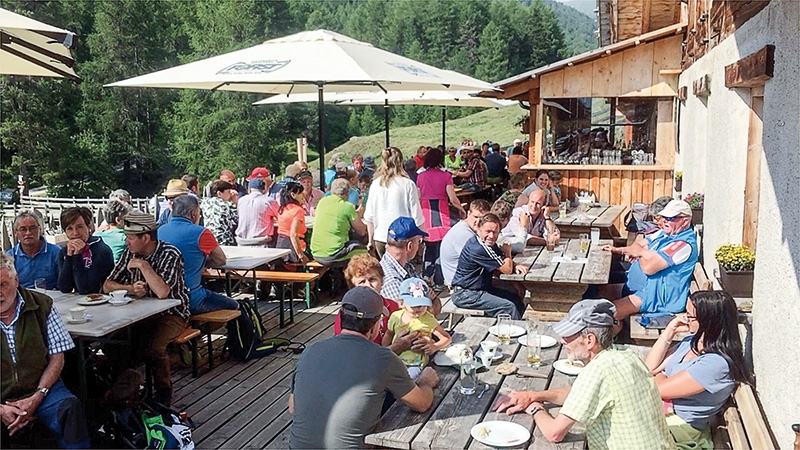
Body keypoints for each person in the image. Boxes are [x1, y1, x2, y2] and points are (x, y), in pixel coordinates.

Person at [494, 299, 675, 450]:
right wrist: (533, 395)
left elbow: (554, 433)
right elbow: (577, 393)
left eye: (569, 335)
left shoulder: (597, 370)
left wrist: (535, 408)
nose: (563, 340)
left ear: (590, 340)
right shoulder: (625, 355)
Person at [289, 286, 440, 449]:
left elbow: (293, 405)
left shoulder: (310, 350)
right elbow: (422, 403)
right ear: (376, 326)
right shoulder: (383, 358)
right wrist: (425, 381)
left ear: (341, 316)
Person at [0, 254, 90, 448]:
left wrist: (37, 396)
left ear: (16, 280)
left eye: (3, 285)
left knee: (70, 410)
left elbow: (57, 357)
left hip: (41, 389)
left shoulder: (42, 305)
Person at [103, 212, 189, 405]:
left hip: (172, 314)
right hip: (137, 314)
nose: (126, 242)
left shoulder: (170, 253)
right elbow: (107, 285)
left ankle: (163, 393)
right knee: (113, 343)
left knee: (154, 348)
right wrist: (129, 288)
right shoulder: (129, 253)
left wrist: (143, 266)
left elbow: (162, 292)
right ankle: (123, 393)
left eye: (130, 237)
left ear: (146, 238)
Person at [646, 291, 750, 449]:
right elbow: (649, 368)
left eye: (690, 316)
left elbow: (659, 389)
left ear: (709, 321)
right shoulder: (692, 341)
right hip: (661, 412)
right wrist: (669, 331)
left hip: (679, 426)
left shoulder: (716, 364)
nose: (684, 318)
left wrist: (659, 375)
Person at [601, 199, 698, 325]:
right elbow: (637, 245)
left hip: (655, 297)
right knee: (600, 292)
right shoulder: (664, 233)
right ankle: (618, 328)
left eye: (670, 218)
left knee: (606, 313)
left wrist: (641, 252)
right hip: (641, 287)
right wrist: (618, 250)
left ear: (685, 221)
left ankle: (611, 335)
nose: (664, 221)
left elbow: (648, 268)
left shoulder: (683, 245)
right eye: (663, 217)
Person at [159, 196, 239, 314]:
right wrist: (202, 263)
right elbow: (220, 260)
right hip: (192, 297)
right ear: (194, 214)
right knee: (234, 306)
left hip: (165, 296)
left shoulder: (159, 231)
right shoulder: (201, 233)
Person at [450, 214, 528, 319]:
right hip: (465, 294)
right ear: (479, 229)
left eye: (495, 232)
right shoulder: (479, 248)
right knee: (508, 307)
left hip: (479, 289)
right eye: (488, 231)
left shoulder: (487, 244)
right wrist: (508, 252)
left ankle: (519, 327)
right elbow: (506, 270)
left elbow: (498, 263)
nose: (491, 236)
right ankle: (509, 331)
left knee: (514, 297)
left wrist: (515, 265)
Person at [416, 147, 466, 287]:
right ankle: (439, 280)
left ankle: (426, 275)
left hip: (426, 213)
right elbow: (453, 198)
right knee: (441, 248)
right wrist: (461, 209)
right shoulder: (446, 176)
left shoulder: (420, 176)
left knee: (429, 247)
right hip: (442, 212)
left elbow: (418, 197)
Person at [363, 147, 425, 258]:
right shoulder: (408, 184)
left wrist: (370, 240)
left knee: (384, 272)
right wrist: (420, 236)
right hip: (402, 237)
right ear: (401, 162)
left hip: (381, 237)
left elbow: (369, 217)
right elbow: (416, 215)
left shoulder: (375, 184)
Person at [383, 278, 451, 379]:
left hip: (415, 363)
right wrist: (385, 349)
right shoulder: (395, 317)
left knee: (409, 379)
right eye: (414, 305)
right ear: (401, 303)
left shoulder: (428, 319)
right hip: (394, 359)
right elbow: (389, 334)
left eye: (422, 305)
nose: (419, 308)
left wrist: (434, 347)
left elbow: (446, 338)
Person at [380, 217, 441, 315]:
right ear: (410, 246)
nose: (420, 245)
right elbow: (411, 319)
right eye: (419, 241)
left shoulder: (406, 266)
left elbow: (432, 307)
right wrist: (429, 300)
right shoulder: (392, 281)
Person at [56, 207, 114, 295]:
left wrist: (77, 256)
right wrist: (69, 257)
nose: (75, 233)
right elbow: (64, 287)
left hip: (101, 299)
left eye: (79, 227)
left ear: (88, 227)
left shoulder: (101, 250)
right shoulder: (64, 252)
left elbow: (86, 289)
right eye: (69, 229)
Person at [310, 179, 367, 266]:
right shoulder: (347, 207)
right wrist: (358, 215)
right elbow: (361, 231)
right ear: (347, 192)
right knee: (365, 252)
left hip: (316, 253)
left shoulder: (322, 202)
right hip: (334, 254)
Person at [439, 199, 490, 286]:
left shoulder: (466, 229)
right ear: (468, 213)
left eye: (482, 219)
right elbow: (485, 259)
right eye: (476, 217)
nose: (478, 222)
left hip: (468, 280)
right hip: (461, 286)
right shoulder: (463, 233)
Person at [6, 211, 60, 290]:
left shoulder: (56, 252)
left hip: (51, 299)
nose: (28, 233)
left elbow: (64, 285)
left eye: (32, 228)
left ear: (40, 229)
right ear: (15, 233)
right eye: (23, 229)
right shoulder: (10, 256)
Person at [235, 178, 279, 247]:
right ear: (265, 190)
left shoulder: (241, 201)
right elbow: (280, 216)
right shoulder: (269, 201)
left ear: (249, 189)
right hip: (262, 242)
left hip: (242, 242)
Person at [275, 181, 309, 264]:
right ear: (293, 195)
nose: (303, 195)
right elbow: (293, 234)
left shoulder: (282, 209)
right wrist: (301, 255)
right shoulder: (298, 210)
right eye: (300, 193)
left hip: (280, 245)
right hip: (294, 248)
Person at [201, 180, 239, 246]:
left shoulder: (204, 203)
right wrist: (235, 202)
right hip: (224, 240)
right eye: (229, 192)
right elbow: (237, 221)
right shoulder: (228, 205)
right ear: (219, 193)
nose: (231, 194)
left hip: (209, 239)